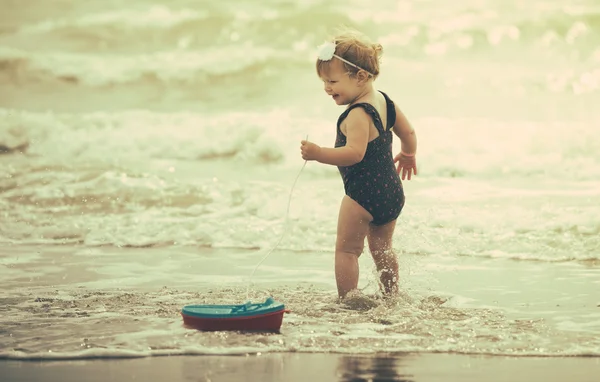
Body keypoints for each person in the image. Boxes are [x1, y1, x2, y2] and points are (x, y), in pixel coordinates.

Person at [300, 30, 418, 299]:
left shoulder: (357, 114)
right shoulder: (385, 102)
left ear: (361, 77)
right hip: (391, 191)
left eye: (332, 81)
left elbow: (354, 154)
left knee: (347, 251)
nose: (327, 88)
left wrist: (318, 153)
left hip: (362, 194)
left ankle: (348, 300)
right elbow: (408, 133)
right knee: (382, 249)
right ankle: (391, 295)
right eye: (324, 82)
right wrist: (409, 154)